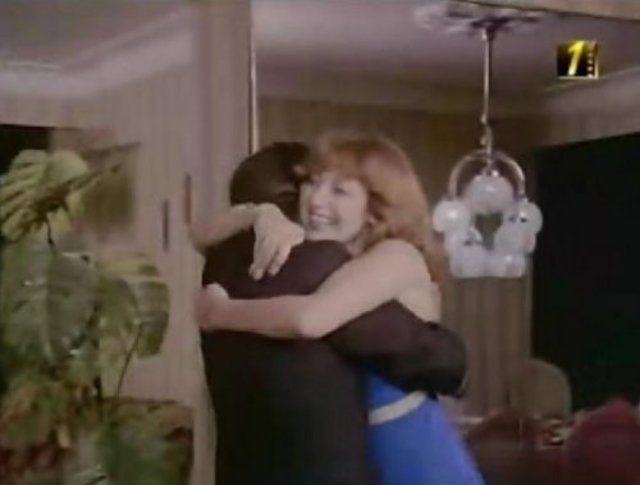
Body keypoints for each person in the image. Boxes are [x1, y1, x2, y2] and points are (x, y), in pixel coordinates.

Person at [196, 133, 483, 484]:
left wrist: (221, 313)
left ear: (374, 209)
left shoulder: (396, 254)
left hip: (411, 448)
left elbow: (309, 319)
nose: (316, 199)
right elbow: (199, 234)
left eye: (340, 191)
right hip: (376, 446)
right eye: (313, 182)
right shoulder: (340, 257)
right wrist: (260, 214)